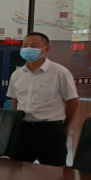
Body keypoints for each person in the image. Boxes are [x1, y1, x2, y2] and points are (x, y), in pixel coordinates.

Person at [7, 32, 79, 166]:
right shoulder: (17, 74)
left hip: (50, 131)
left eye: (33, 46)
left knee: (55, 173)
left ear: (47, 49)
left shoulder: (60, 72)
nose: (28, 49)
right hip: (23, 129)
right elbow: (15, 99)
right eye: (25, 45)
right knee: (15, 170)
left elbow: (72, 102)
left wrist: (66, 126)